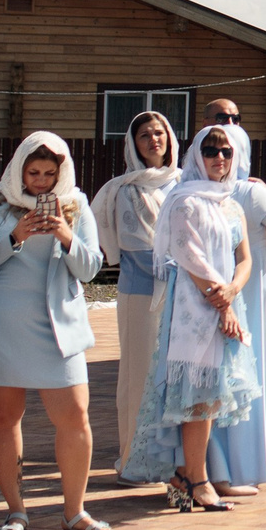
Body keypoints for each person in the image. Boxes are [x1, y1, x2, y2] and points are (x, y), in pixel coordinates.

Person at [0, 131, 110, 530]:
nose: (42, 182)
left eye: (50, 174)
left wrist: (66, 235)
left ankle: (74, 512)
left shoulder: (77, 203)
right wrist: (15, 237)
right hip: (2, 324)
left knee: (75, 415)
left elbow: (91, 268)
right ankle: (15, 511)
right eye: (33, 173)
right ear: (19, 169)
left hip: (58, 326)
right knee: (2, 419)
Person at [122, 123, 259, 513]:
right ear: (197, 156)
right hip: (193, 310)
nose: (219, 158)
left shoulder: (231, 204)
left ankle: (186, 474)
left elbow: (244, 258)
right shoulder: (185, 201)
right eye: (211, 151)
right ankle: (197, 480)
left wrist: (233, 291)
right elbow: (189, 256)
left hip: (224, 304)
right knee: (197, 395)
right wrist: (222, 303)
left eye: (226, 152)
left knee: (211, 395)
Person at [211, 123, 266, 494]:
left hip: (216, 289)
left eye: (225, 151)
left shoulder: (194, 190)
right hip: (251, 287)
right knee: (253, 369)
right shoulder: (250, 192)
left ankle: (221, 464)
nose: (220, 158)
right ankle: (244, 462)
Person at [91, 109, 182, 471]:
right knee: (139, 376)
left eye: (159, 133)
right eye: (145, 135)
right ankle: (136, 459)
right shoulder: (125, 190)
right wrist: (184, 269)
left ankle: (173, 459)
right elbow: (136, 246)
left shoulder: (184, 183)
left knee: (175, 377)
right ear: (133, 144)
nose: (153, 140)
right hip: (142, 295)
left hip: (183, 296)